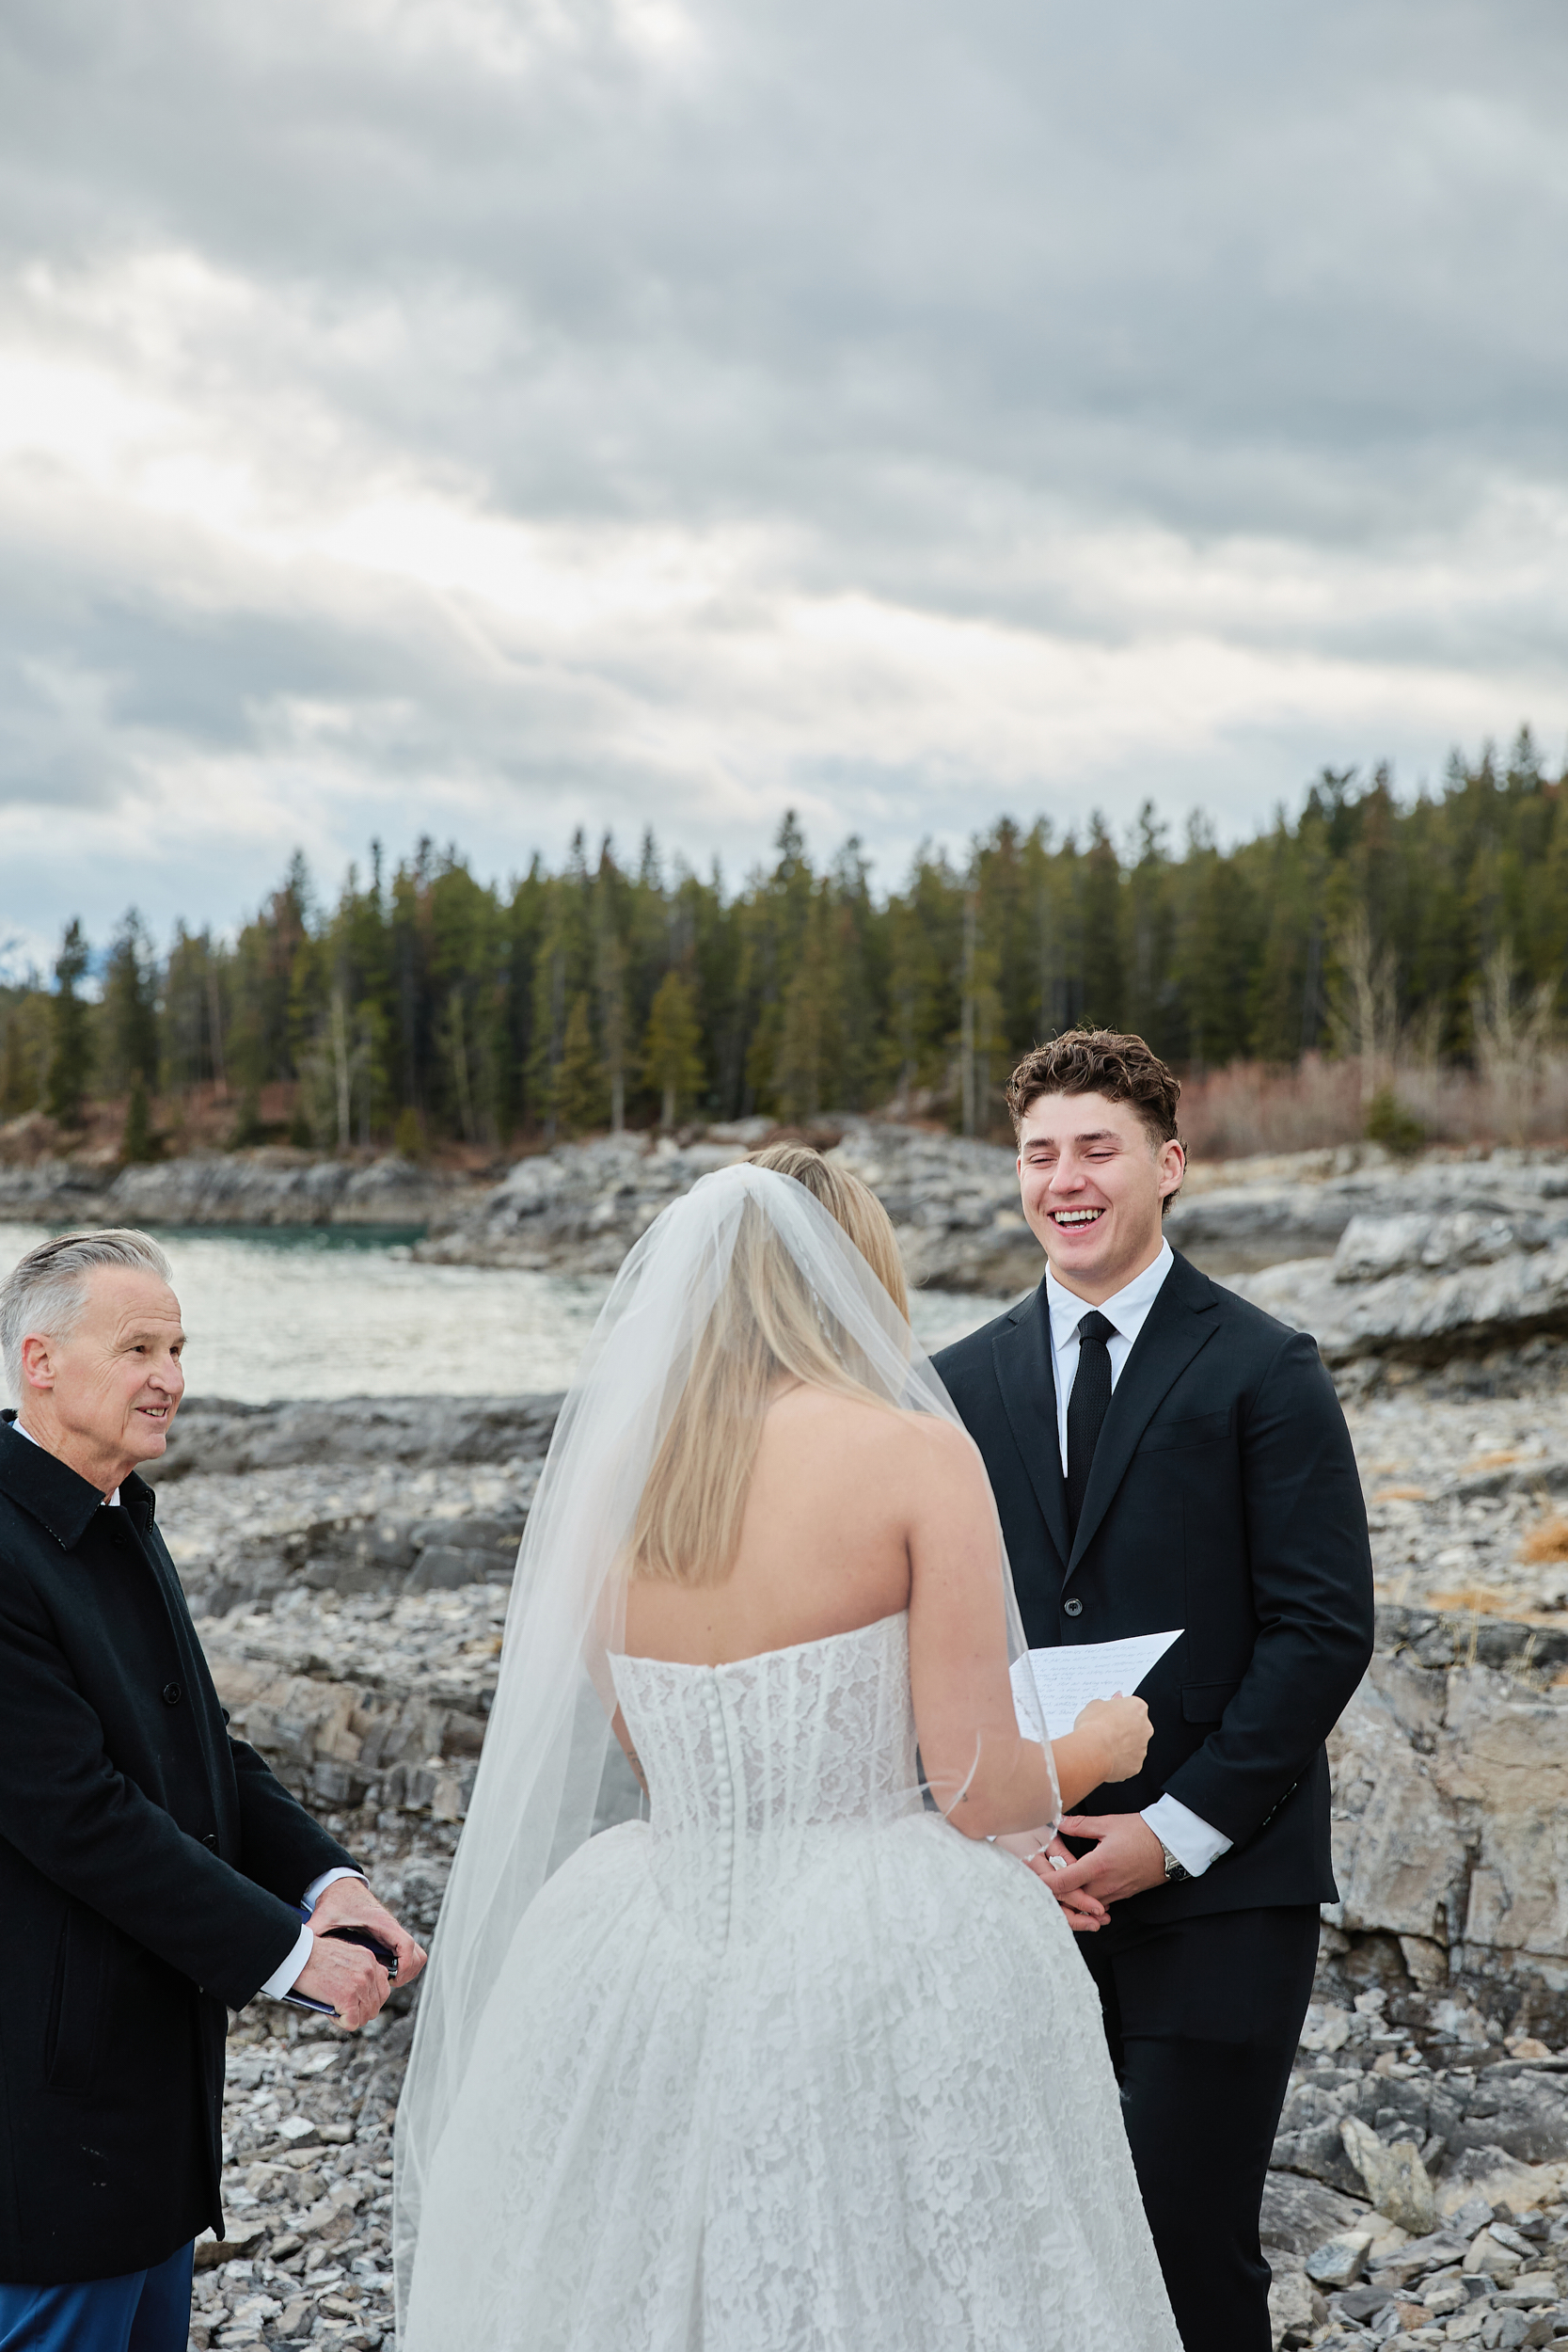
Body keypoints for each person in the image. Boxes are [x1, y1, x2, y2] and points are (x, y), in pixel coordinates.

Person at [393, 1159, 1181, 2351]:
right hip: (877, 1946)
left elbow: (655, 1760)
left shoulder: (618, 1484)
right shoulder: (911, 1454)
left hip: (643, 1940)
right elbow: (975, 1786)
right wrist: (1094, 1743)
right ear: (851, 1280)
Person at [932, 1032, 1375, 2352]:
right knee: (1024, 2248)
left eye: (1095, 1150)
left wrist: (1168, 1834)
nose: (1063, 1181)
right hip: (1015, 1888)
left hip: (1221, 1888)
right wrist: (1005, 1828)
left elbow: (1319, 1631)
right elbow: (941, 1646)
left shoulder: (1262, 1367)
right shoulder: (952, 1383)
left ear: (1165, 1166)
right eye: (1037, 1154)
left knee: (1184, 2247)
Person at [0, 1229, 426, 2352]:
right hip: (45, 2107)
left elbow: (208, 1751)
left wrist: (330, 1882)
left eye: (179, 1345)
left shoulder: (113, 1513)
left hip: (143, 2103)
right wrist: (287, 1956)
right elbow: (79, 1814)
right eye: (138, 1345)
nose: (171, 1376)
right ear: (40, 1361)